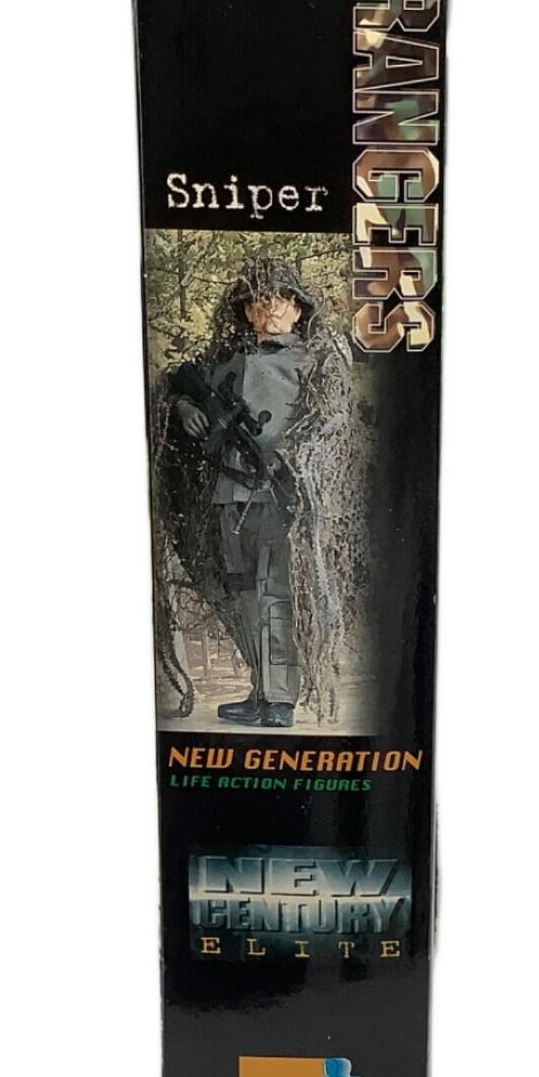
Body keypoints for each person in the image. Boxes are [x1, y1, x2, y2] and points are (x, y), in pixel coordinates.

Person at [166, 258, 328, 728]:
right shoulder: (227, 365)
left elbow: (327, 422)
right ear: (246, 312)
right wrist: (183, 408)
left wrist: (292, 460)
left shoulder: (311, 363)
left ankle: (280, 698)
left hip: (277, 494)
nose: (270, 309)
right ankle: (261, 691)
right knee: (242, 596)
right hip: (229, 493)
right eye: (259, 301)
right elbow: (176, 386)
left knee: (274, 594)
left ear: (298, 309)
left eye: (280, 300)